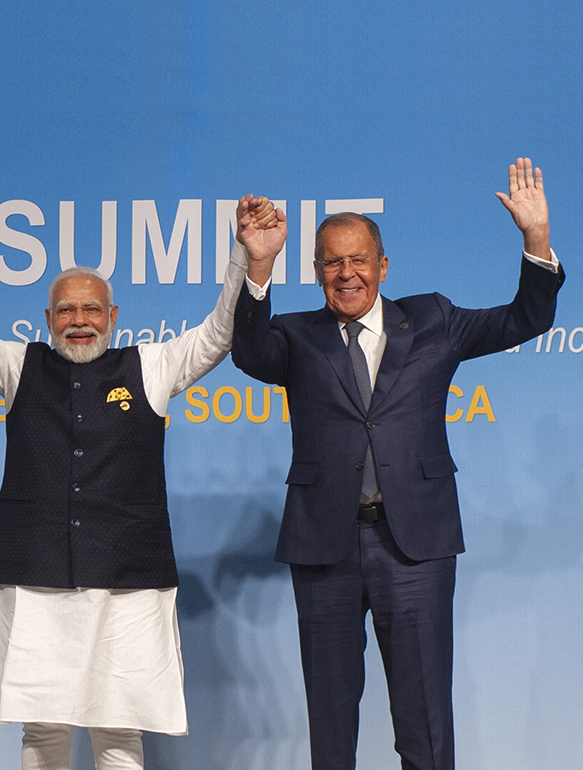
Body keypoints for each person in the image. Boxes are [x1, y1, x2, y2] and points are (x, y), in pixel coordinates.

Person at [231, 159, 563, 770]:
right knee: (331, 719)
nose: (347, 273)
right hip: (324, 548)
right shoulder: (295, 335)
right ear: (317, 271)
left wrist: (536, 239)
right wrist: (257, 264)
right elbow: (249, 353)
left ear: (383, 266)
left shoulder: (434, 319)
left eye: (359, 260)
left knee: (424, 717)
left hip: (415, 546)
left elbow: (526, 318)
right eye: (332, 262)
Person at [0, 196, 284, 770]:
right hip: (36, 580)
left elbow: (219, 333)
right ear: (47, 319)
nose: (79, 320)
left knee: (118, 730)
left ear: (113, 316)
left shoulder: (152, 367)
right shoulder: (17, 367)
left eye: (91, 309)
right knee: (43, 728)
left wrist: (249, 258)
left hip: (128, 584)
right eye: (66, 310)